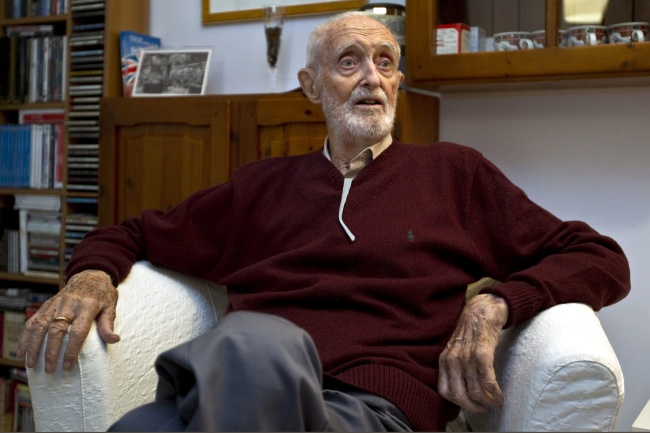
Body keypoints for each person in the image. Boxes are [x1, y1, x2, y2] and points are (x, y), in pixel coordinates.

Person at [19, 12, 629, 432]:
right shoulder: (260, 187)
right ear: (311, 86)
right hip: (240, 388)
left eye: (386, 63)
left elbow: (600, 257)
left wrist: (495, 304)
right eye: (349, 62)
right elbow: (131, 233)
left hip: (366, 409)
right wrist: (91, 276)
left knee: (254, 340)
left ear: (399, 82)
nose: (372, 78)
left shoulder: (454, 175)